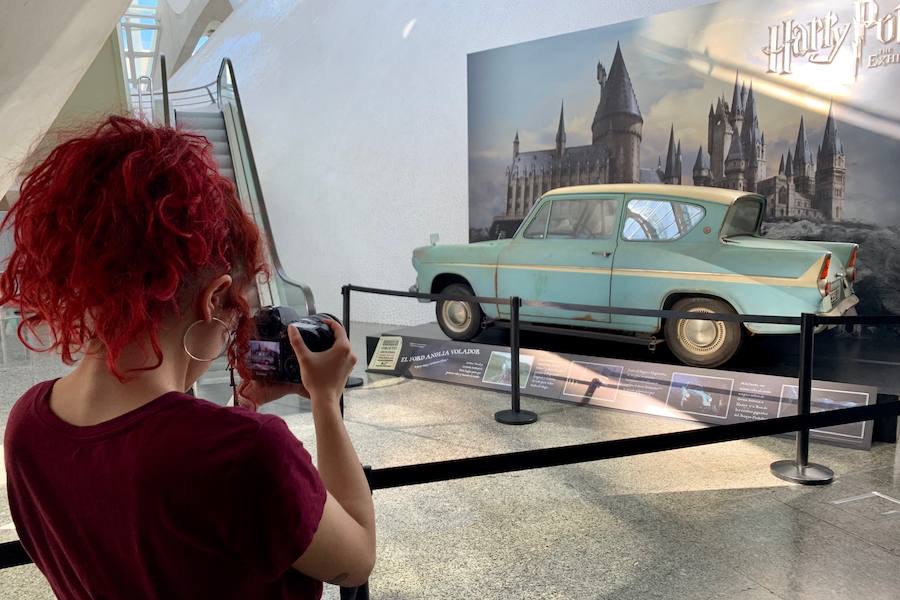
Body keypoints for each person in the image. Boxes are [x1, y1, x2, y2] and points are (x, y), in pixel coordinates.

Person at [0, 116, 375, 599]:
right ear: (215, 299)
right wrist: (325, 399)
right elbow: (356, 558)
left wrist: (239, 419)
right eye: (238, 307)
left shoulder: (27, 425)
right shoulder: (249, 453)